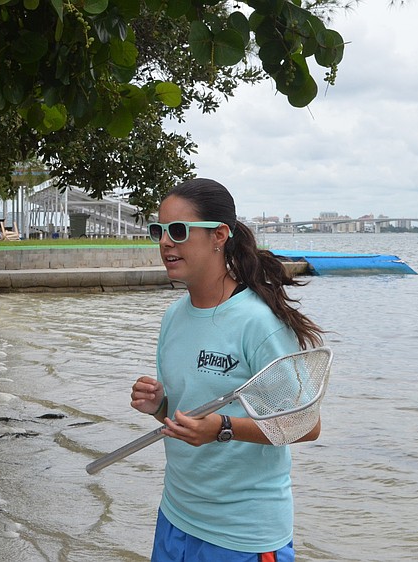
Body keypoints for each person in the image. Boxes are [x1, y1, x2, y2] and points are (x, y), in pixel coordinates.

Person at [130, 178, 324, 562]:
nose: (166, 242)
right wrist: (158, 406)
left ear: (219, 235)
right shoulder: (174, 316)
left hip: (242, 534)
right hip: (176, 516)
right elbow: (186, 415)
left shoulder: (257, 322)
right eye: (160, 231)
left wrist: (223, 428)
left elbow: (306, 424)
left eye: (179, 231)